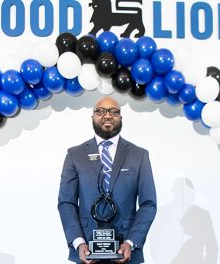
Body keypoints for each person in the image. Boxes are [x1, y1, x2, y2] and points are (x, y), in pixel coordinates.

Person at [58, 96, 157, 264]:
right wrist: (78, 242)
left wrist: (131, 242)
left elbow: (149, 204)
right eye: (100, 111)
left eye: (114, 111)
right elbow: (66, 202)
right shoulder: (75, 155)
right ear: (92, 117)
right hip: (86, 250)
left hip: (126, 251)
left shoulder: (139, 155)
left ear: (120, 118)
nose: (107, 115)